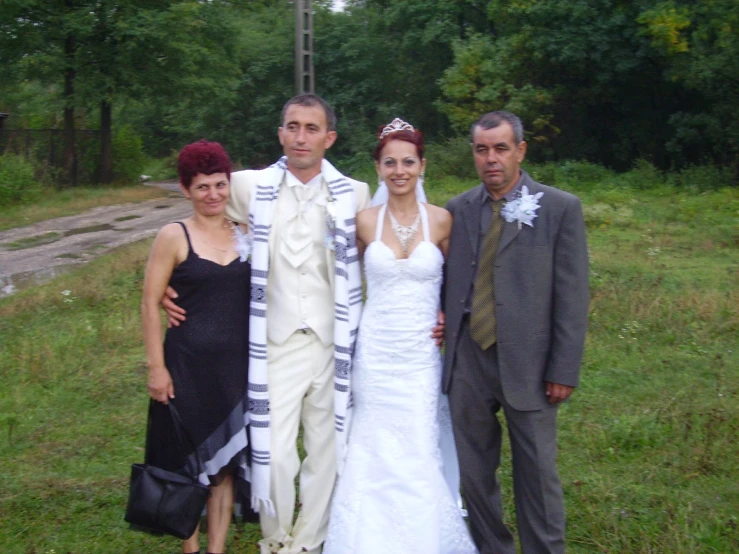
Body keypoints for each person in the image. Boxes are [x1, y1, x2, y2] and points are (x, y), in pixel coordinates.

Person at [164, 94, 372, 554]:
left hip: (332, 342)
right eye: (292, 127)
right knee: (275, 454)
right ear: (280, 134)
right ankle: (276, 537)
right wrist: (167, 281)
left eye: (311, 128)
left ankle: (310, 540)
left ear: (329, 138)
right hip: (273, 343)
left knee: (327, 450)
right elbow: (200, 215)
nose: (301, 137)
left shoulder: (354, 193)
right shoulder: (246, 186)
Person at [323, 119, 477, 554]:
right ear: (378, 168)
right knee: (373, 445)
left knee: (417, 444)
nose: (399, 170)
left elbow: (462, 280)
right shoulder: (363, 222)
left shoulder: (444, 221)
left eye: (408, 161)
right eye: (389, 162)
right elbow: (325, 272)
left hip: (421, 354)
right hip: (376, 353)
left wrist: (452, 314)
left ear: (422, 166)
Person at [443, 111, 589, 554]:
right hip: (469, 358)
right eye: (482, 150)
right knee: (473, 472)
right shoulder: (457, 210)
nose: (491, 159)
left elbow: (572, 295)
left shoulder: (560, 208)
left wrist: (563, 367)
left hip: (531, 363)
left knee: (537, 474)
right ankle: (493, 548)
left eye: (501, 148)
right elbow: (445, 278)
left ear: (520, 150)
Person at [140, 140, 252, 554]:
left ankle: (216, 549)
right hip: (186, 368)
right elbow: (151, 302)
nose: (213, 195)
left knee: (224, 466)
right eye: (202, 186)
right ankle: (190, 549)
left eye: (220, 185)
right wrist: (157, 367)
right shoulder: (174, 235)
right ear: (186, 189)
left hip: (234, 371)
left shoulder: (246, 235)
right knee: (188, 464)